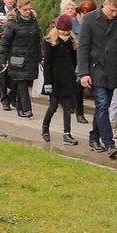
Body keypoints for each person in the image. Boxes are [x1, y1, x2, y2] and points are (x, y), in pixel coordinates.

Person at [76, 0, 117, 160]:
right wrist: (84, 73)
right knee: (102, 105)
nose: (115, 14)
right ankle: (109, 143)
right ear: (105, 5)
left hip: (113, 71)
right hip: (96, 70)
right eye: (112, 10)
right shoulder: (89, 20)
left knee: (103, 107)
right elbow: (83, 48)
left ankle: (94, 137)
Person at [40, 14, 79, 145]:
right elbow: (47, 64)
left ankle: (67, 134)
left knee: (68, 107)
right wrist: (47, 82)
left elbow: (74, 61)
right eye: (63, 31)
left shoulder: (72, 42)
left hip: (67, 78)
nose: (65, 33)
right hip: (54, 79)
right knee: (53, 106)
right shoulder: (50, 41)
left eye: (68, 31)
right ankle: (45, 128)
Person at [0, 0, 40, 118]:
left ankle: (15, 101)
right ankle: (26, 109)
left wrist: (40, 56)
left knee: (24, 82)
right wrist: (2, 58)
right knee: (21, 82)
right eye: (25, 9)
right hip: (16, 56)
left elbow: (37, 39)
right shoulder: (12, 23)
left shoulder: (33, 21)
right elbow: (4, 41)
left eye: (29, 9)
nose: (28, 11)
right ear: (19, 9)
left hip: (31, 56)